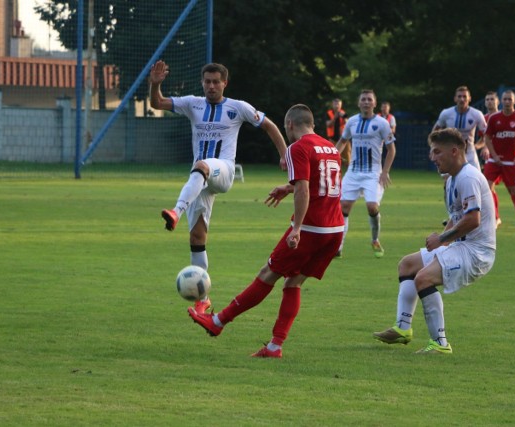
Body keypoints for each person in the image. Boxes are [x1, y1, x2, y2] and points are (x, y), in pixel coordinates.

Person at [188, 104, 344, 358]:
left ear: (290, 125)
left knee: (267, 274)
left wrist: (296, 228)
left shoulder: (298, 148)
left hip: (311, 228)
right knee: (294, 282)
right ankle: (275, 346)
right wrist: (288, 187)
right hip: (335, 229)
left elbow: (305, 189)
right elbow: (322, 183)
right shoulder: (330, 148)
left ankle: (217, 322)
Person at [149, 60, 288, 314]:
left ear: (225, 83)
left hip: (222, 170)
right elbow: (157, 103)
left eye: (216, 82)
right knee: (197, 237)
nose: (211, 86)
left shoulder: (238, 107)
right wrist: (154, 85)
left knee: (201, 165)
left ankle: (175, 212)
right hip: (199, 179)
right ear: (202, 83)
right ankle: (202, 298)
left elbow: (270, 126)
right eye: (207, 81)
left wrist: (283, 155)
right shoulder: (193, 104)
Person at [373, 128, 496, 354]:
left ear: (455, 151)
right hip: (462, 245)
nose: (432, 158)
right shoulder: (452, 180)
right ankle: (402, 329)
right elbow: (457, 216)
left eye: (437, 152)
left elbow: (473, 219)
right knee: (407, 264)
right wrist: (444, 241)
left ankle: (440, 344)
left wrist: (441, 239)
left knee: (423, 278)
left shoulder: (468, 177)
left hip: (477, 253)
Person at [335, 90, 395, 258]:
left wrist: (385, 172)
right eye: (363, 99)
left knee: (372, 206)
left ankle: (375, 239)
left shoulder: (382, 123)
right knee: (343, 208)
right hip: (353, 172)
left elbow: (391, 149)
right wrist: (331, 159)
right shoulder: (352, 122)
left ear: (374, 103)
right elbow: (342, 141)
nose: (366, 102)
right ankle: (338, 247)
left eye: (370, 99)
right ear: (359, 103)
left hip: (373, 173)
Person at [482, 90, 515, 232]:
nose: (507, 102)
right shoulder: (494, 118)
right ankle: (495, 218)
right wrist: (494, 155)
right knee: (487, 187)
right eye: (504, 99)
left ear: (514, 101)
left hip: (512, 161)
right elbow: (487, 138)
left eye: (509, 99)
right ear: (501, 101)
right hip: (494, 160)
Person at [433, 86, 487, 169]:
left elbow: (487, 134)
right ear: (455, 99)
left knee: (477, 179)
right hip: (450, 153)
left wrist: (486, 147)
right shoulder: (446, 113)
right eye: (459, 96)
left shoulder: (477, 114)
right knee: (448, 179)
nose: (462, 99)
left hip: (469, 152)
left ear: (469, 98)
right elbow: (435, 132)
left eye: (464, 96)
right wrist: (435, 148)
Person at [325, 98, 349, 165]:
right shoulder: (329, 113)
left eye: (338, 104)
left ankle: (348, 170)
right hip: (332, 139)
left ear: (341, 105)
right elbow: (328, 125)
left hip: (343, 139)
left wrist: (344, 118)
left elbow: (348, 124)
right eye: (335, 104)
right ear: (332, 104)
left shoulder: (343, 113)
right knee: (332, 157)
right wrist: (335, 117)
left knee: (348, 156)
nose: (337, 106)